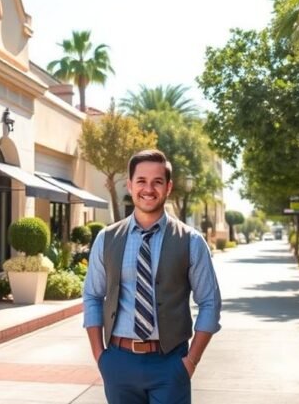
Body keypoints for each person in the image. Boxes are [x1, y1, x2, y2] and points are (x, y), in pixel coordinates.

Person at [83, 149, 222, 404]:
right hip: (118, 363)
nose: (149, 189)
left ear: (168, 187)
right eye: (141, 181)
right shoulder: (106, 238)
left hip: (170, 365)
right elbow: (93, 295)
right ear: (130, 185)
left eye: (157, 181)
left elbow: (210, 303)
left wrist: (190, 361)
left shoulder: (191, 241)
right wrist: (100, 356)